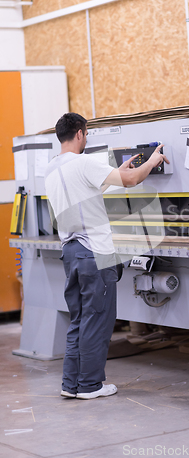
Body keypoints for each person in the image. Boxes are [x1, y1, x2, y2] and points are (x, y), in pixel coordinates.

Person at [45, 113, 169, 400]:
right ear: (79, 133)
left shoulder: (52, 169)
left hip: (72, 253)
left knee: (79, 318)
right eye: (86, 134)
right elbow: (132, 181)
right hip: (94, 253)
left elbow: (86, 190)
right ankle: (90, 385)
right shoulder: (85, 162)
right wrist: (152, 161)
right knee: (98, 318)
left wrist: (119, 171)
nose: (86, 139)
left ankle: (71, 384)